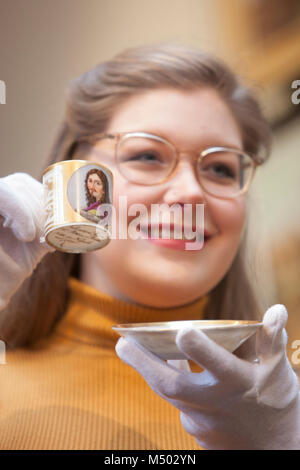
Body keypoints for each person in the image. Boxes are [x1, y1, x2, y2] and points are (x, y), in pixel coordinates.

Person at [0, 42, 299, 450]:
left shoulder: (287, 414)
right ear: (71, 177)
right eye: (146, 156)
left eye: (219, 168)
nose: (191, 193)